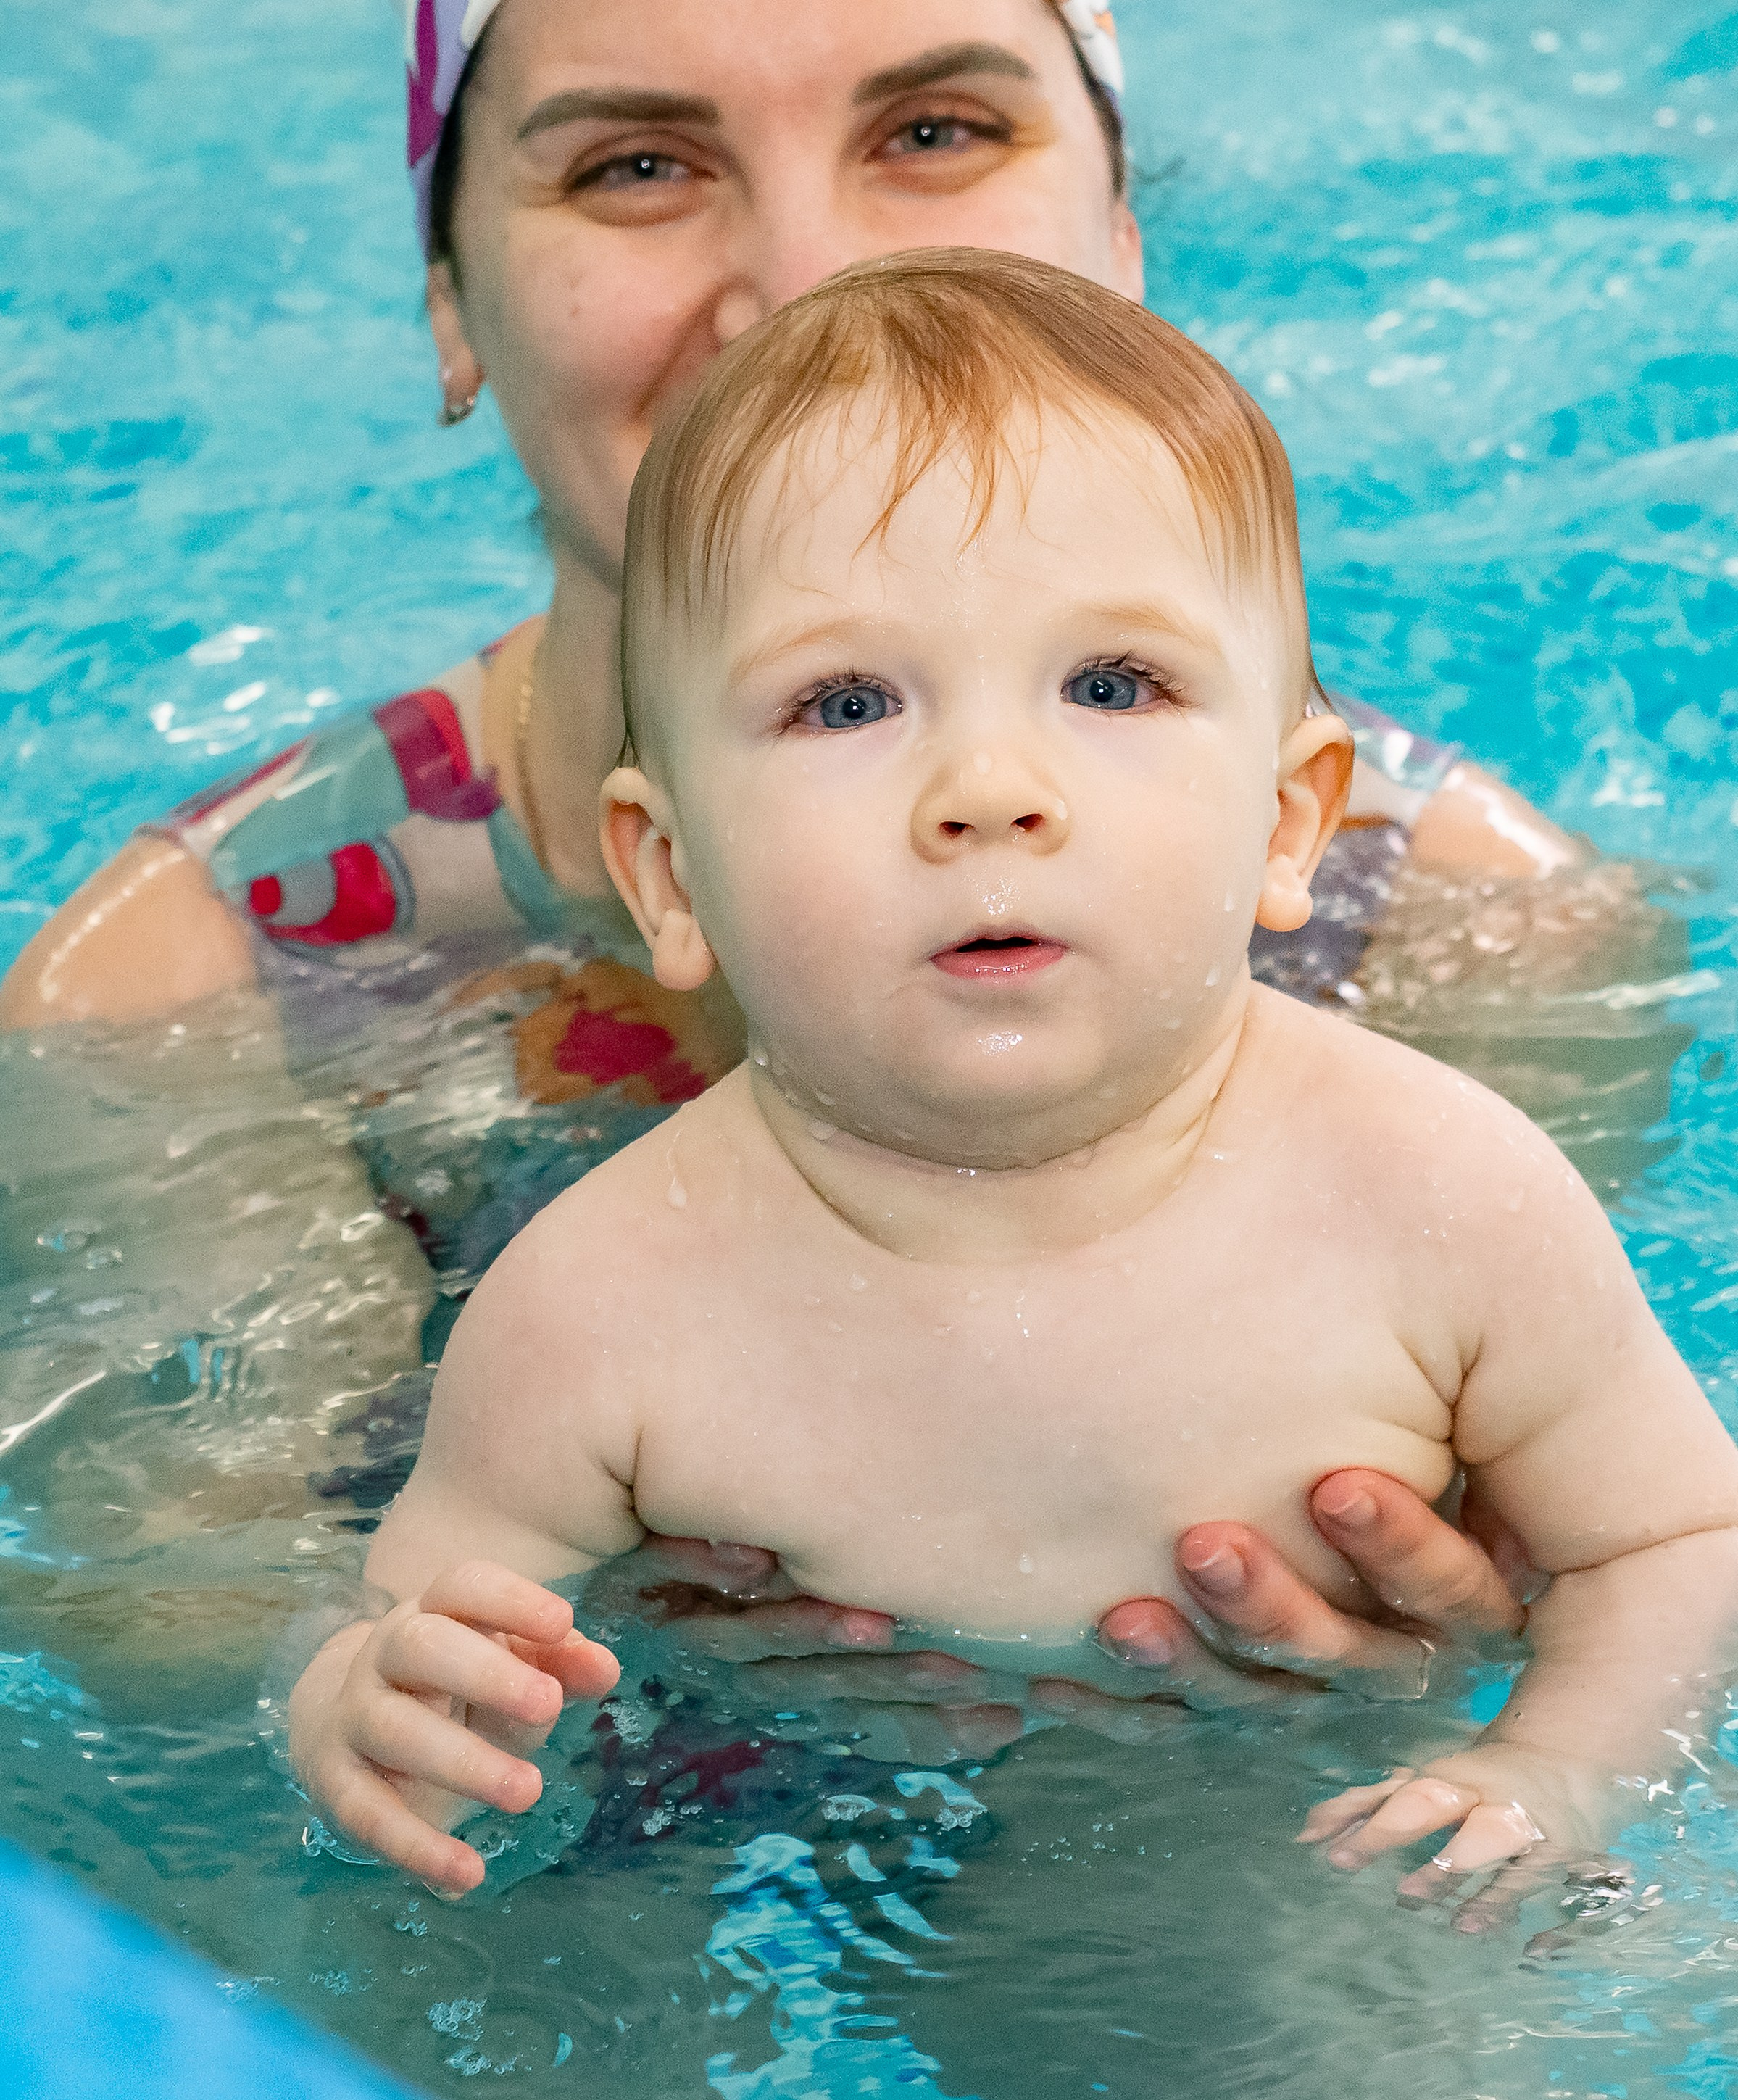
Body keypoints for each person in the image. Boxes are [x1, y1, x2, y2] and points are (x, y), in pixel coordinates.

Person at [2, 0, 1566, 1714]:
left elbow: (1606, 1574)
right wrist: (504, 1653)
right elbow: (158, 1675)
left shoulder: (1447, 938)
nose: (799, 285)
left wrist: (1442, 1639)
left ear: (1116, 228)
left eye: (933, 131)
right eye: (637, 164)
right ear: (451, 298)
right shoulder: (208, 1002)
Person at [288, 249, 1738, 1921]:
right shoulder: (597, 1309)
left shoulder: (1431, 1191)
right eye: (845, 701)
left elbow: (1674, 1542)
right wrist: (358, 1706)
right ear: (668, 872)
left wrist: (1548, 1768)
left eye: (1110, 686)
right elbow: (418, 1632)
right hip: (776, 1845)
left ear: (1288, 822)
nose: (988, 790)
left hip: (1306, 1847)